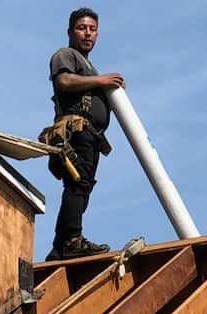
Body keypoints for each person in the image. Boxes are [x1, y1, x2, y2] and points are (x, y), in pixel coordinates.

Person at [47, 8, 125, 260]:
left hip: (90, 135)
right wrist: (101, 82)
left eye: (92, 29)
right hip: (76, 132)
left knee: (82, 186)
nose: (87, 33)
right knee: (78, 184)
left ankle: (60, 248)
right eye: (82, 28)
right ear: (70, 32)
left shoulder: (90, 67)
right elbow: (64, 82)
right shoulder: (66, 55)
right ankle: (71, 240)